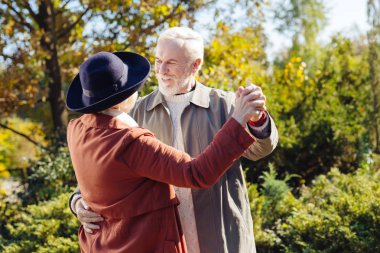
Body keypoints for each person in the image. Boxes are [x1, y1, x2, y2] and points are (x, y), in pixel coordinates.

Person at [70, 27, 278, 253]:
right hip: (163, 240)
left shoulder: (225, 105)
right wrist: (78, 201)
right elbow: (100, 170)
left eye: (171, 63)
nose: (161, 70)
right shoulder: (133, 114)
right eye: (158, 60)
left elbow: (260, 150)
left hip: (218, 238)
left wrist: (257, 118)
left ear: (195, 65)